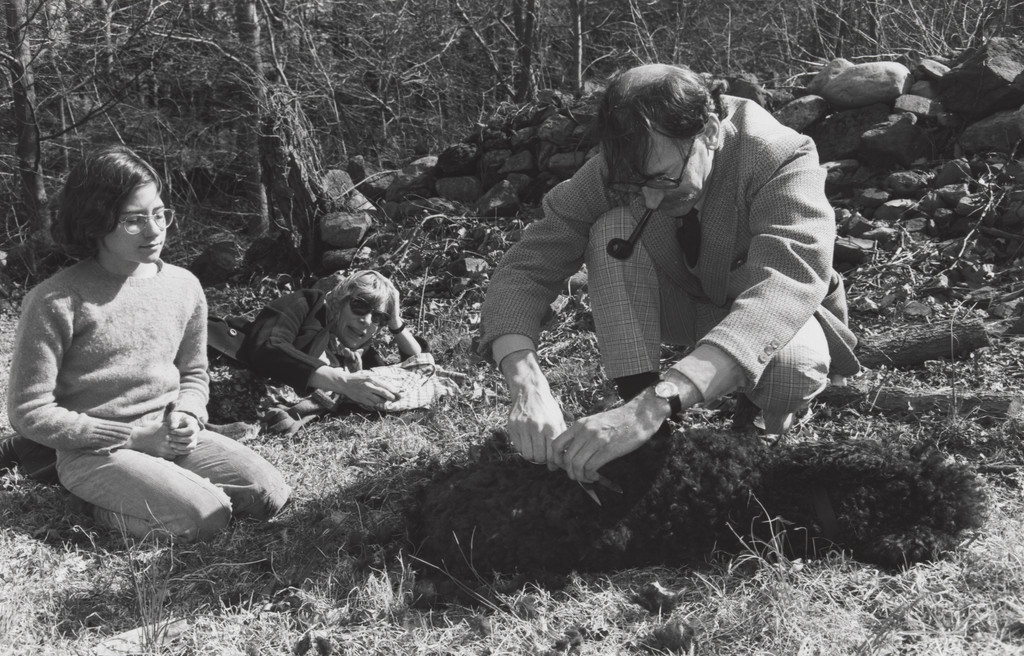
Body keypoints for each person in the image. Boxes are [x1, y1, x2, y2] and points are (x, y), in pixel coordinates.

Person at [478, 63, 859, 485]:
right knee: (611, 230)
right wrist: (527, 385)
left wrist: (652, 406)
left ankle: (753, 417)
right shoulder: (621, 168)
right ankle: (646, 428)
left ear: (709, 132)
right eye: (635, 183)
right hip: (679, 304)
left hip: (764, 311)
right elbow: (526, 267)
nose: (651, 199)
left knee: (792, 370)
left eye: (664, 179)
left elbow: (784, 287)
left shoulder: (779, 155)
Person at [6, 145, 290, 541]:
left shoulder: (183, 286)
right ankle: (91, 505)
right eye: (134, 220)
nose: (155, 230)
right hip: (95, 453)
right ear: (96, 221)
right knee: (207, 518)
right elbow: (28, 411)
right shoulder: (54, 300)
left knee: (269, 494)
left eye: (159, 213)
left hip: (170, 436)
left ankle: (164, 487)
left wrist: (189, 414)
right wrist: (133, 438)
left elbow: (194, 373)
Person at [220, 269, 430, 431]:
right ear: (340, 302)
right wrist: (343, 382)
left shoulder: (358, 357)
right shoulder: (307, 304)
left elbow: (418, 368)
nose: (366, 320)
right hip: (220, 370)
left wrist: (395, 322)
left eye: (378, 317)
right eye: (359, 306)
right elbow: (268, 347)